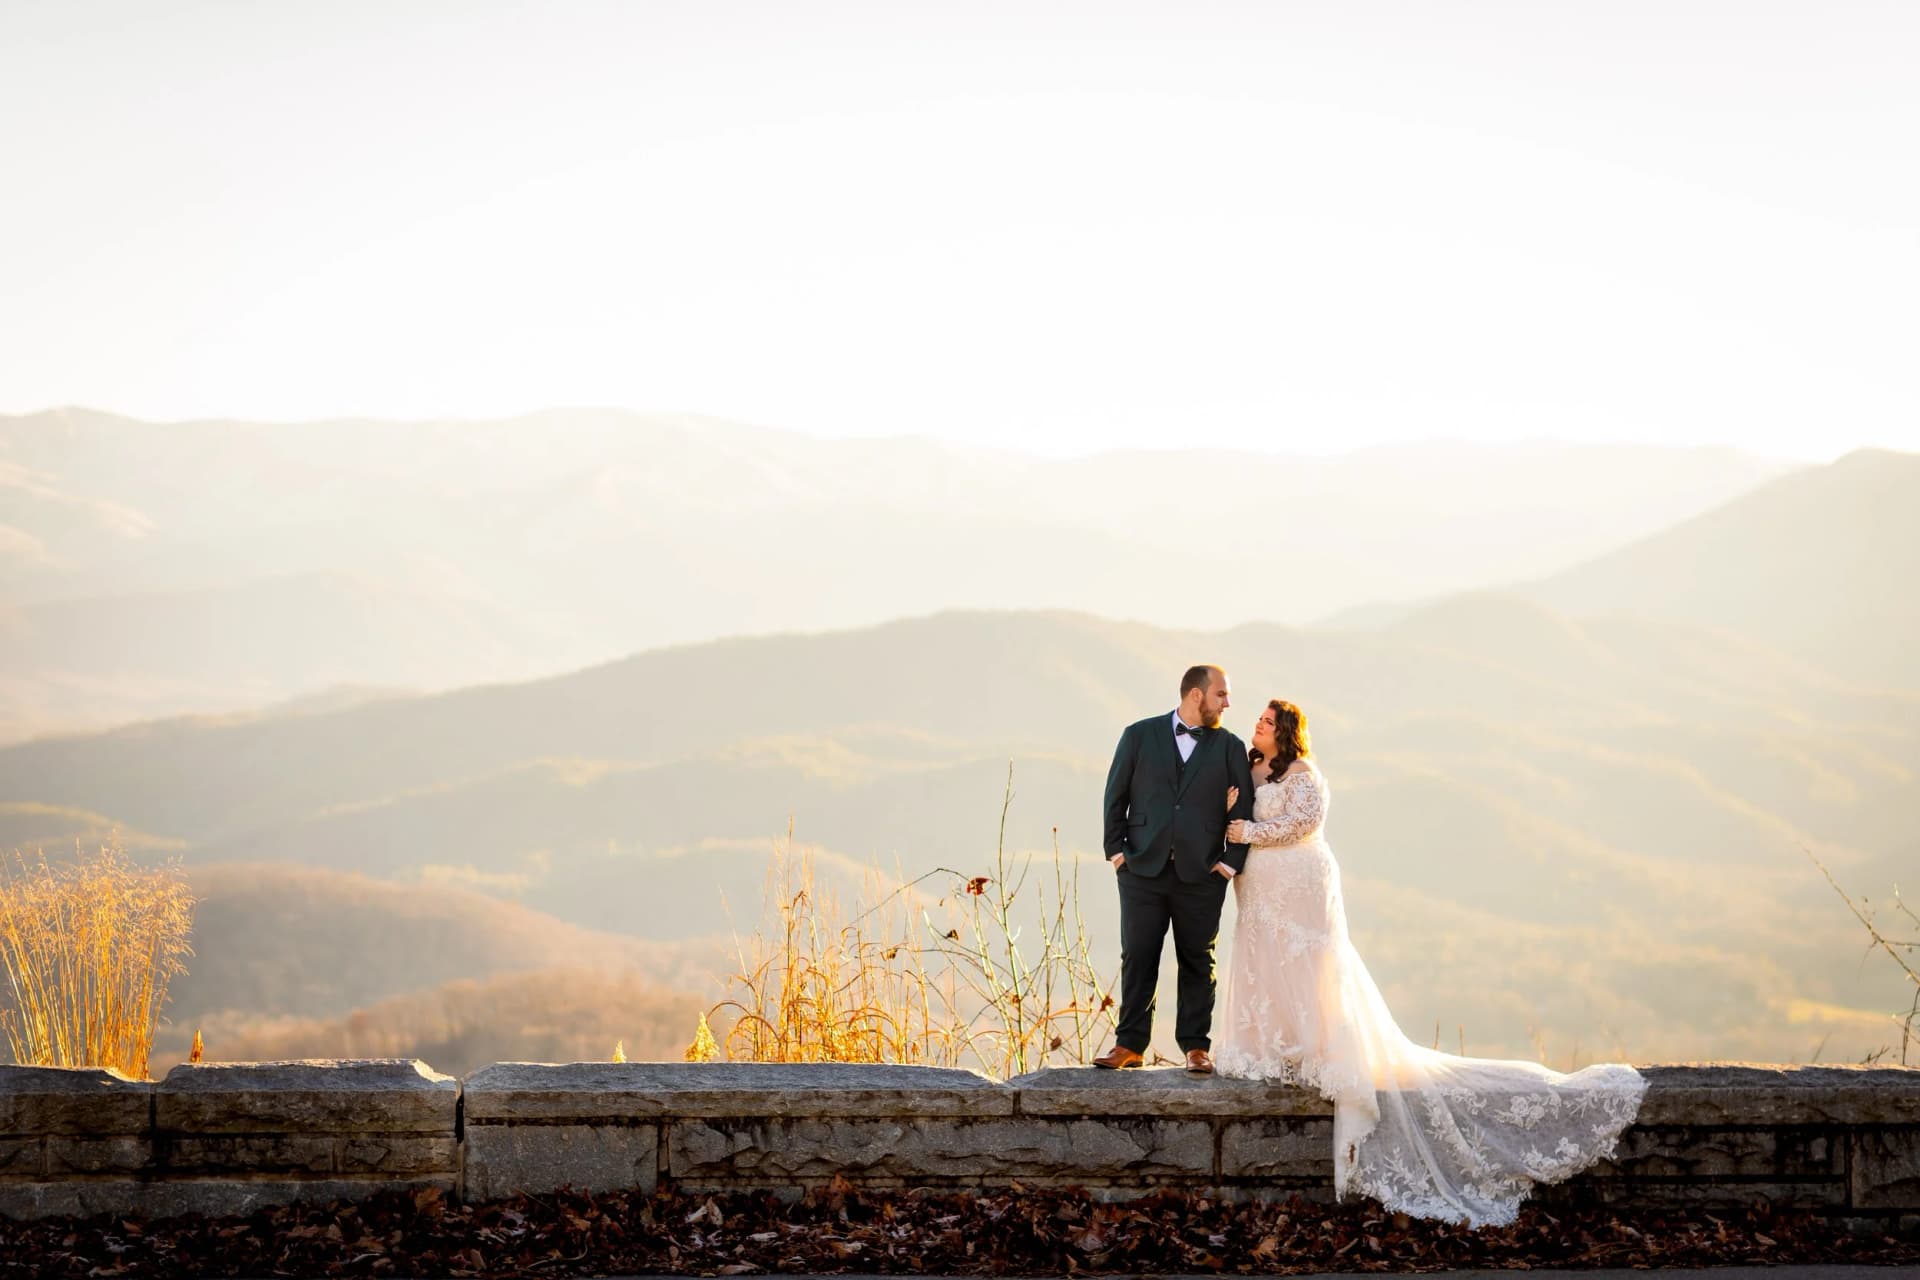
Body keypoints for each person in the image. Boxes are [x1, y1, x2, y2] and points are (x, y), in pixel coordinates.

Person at [1213, 698, 1646, 1227]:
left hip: (1302, 889)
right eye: (1256, 720)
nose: (1255, 726)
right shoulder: (1249, 770)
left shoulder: (1306, 773)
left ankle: (1316, 1044)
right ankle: (1272, 1044)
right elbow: (1232, 811)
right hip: (1261, 894)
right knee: (1268, 967)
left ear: (1284, 732)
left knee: (1309, 968)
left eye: (1264, 721)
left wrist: (1250, 833)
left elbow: (1305, 823)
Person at [1094, 665, 1256, 1074]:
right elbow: (1115, 796)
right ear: (1197, 695)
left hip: (1202, 874)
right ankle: (1129, 1044)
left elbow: (1243, 810)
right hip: (1141, 871)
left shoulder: (1230, 747)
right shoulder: (1138, 735)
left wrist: (1227, 865)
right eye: (1221, 694)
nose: (1228, 703)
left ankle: (1196, 1046)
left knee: (1199, 960)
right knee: (1138, 955)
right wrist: (1117, 854)